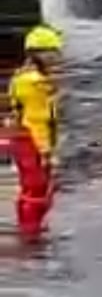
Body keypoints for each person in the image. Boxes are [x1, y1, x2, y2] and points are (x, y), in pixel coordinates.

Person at [5, 25, 62, 243]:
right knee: (37, 189)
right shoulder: (34, 81)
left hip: (24, 138)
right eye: (51, 53)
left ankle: (30, 230)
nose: (55, 57)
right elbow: (37, 120)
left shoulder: (24, 76)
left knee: (33, 187)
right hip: (31, 139)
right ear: (36, 53)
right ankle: (30, 235)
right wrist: (47, 152)